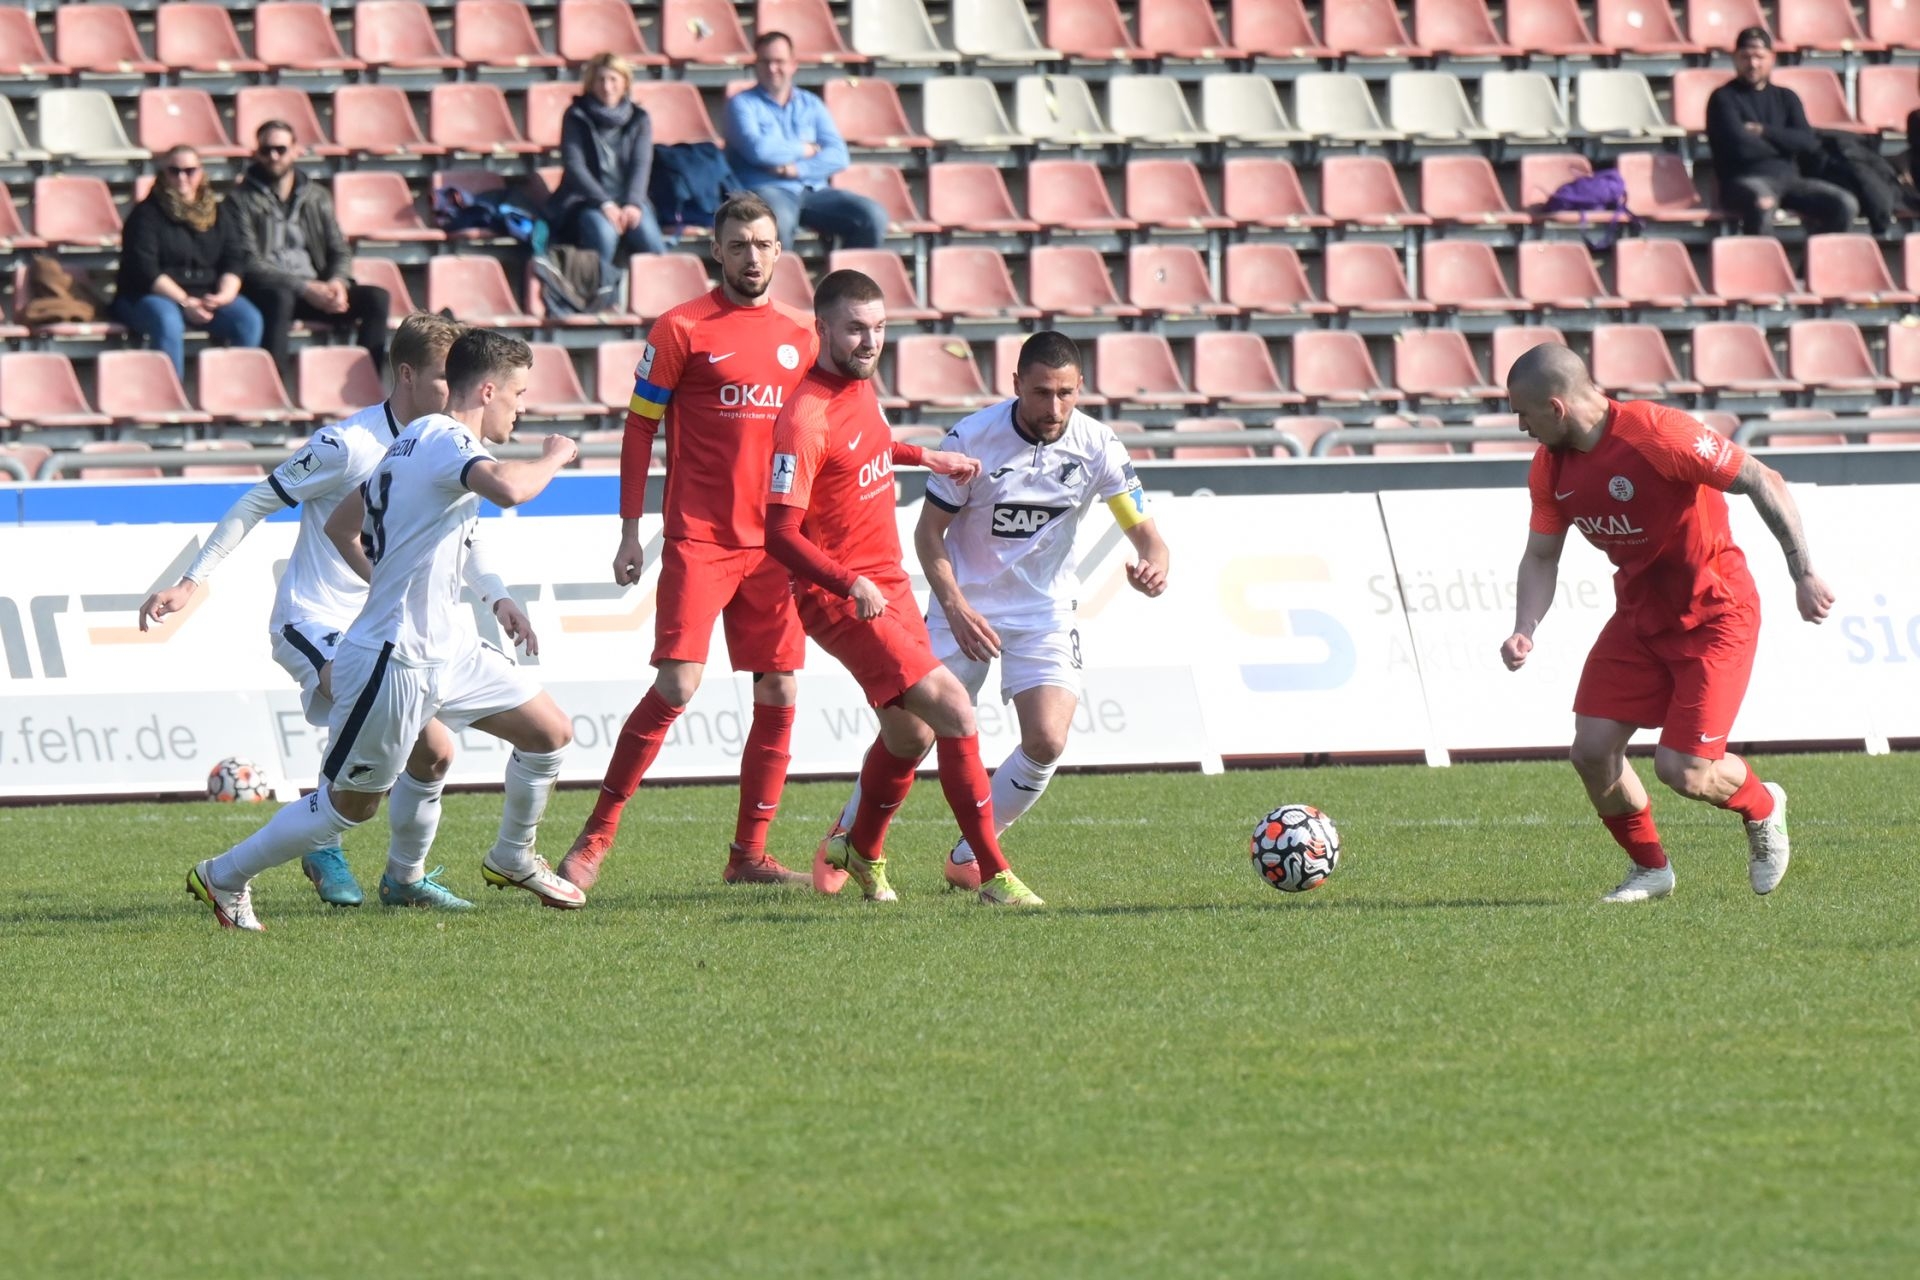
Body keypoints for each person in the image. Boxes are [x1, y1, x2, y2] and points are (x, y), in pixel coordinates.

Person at [186, 330, 584, 931]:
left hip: (445, 644)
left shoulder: (413, 439)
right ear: (488, 389)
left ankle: (511, 856)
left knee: (549, 732)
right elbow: (509, 488)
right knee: (346, 809)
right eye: (519, 394)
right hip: (396, 655)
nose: (523, 408)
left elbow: (345, 524)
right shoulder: (446, 438)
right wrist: (558, 454)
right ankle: (223, 875)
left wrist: (407, 581)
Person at [819, 331, 1170, 893]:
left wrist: (1153, 563)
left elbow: (1148, 536)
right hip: (965, 607)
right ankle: (850, 831)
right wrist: (954, 606)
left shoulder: (1098, 444)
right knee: (912, 734)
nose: (1053, 408)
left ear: (1081, 388)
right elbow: (928, 534)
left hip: (1044, 612)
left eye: (1065, 394)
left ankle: (971, 856)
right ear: (1015, 387)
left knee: (1048, 740)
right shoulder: (973, 438)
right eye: (1040, 393)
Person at [141, 313, 466, 909]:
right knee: (350, 690)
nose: (460, 389)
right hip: (314, 617)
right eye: (448, 377)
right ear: (407, 374)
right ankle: (317, 846)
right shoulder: (347, 444)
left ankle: (405, 879)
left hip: (385, 628)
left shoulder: (446, 448)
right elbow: (255, 501)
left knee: (436, 750)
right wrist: (189, 582)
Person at [1500, 344, 1834, 904]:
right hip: (1638, 617)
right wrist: (1525, 626)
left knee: (1685, 771)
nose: (1520, 426)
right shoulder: (1550, 468)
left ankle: (1763, 805)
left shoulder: (1659, 433)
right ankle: (1651, 870)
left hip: (1715, 614)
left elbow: (1761, 478)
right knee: (1591, 750)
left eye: (1523, 414)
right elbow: (1541, 557)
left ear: (1555, 409)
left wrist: (1803, 573)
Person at [556, 193, 818, 892]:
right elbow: (639, 428)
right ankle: (595, 837)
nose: (752, 257)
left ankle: (749, 856)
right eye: (739, 246)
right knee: (677, 683)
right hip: (701, 539)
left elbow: (825, 439)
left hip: (776, 544)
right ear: (717, 252)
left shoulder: (805, 334)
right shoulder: (681, 328)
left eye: (764, 245)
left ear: (779, 251)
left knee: (782, 687)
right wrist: (629, 530)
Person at [764, 268, 1043, 907]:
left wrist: (929, 459)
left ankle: (858, 850)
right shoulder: (803, 418)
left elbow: (869, 445)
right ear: (823, 328)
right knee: (954, 710)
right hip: (841, 594)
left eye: (880, 328)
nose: (869, 340)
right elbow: (778, 534)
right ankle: (994, 874)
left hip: (883, 578)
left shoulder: (858, 387)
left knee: (910, 735)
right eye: (856, 328)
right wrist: (848, 581)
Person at [228, 120, 392, 376]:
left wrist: (337, 283)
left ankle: (367, 384)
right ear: (256, 153)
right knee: (280, 298)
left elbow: (339, 249)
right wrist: (304, 288)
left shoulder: (317, 196)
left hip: (316, 289)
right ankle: (275, 388)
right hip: (269, 292)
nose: (273, 156)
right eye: (266, 150)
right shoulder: (238, 200)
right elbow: (249, 262)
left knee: (377, 298)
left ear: (296, 150)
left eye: (280, 149)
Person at [722, 30, 886, 251]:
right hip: (765, 189)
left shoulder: (811, 104)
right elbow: (759, 150)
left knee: (871, 215)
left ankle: (845, 284)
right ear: (756, 65)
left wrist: (795, 169)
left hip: (812, 190)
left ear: (793, 65)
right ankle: (780, 285)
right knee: (776, 222)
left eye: (779, 61)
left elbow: (839, 155)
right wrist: (806, 149)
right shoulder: (741, 104)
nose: (772, 69)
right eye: (765, 62)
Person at [111, 145, 264, 379]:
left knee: (248, 320)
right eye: (174, 171)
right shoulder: (145, 214)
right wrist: (184, 302)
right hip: (149, 296)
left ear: (201, 173)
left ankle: (234, 394)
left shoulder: (219, 212)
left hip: (206, 294)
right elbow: (145, 270)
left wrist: (224, 295)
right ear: (164, 173)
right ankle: (171, 401)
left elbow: (234, 258)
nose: (182, 177)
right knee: (167, 320)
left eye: (190, 171)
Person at [1706, 26, 1858, 237]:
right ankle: (1762, 269)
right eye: (1745, 57)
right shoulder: (1723, 98)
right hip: (1743, 181)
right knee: (1763, 203)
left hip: (1790, 180)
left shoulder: (1787, 97)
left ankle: (1808, 269)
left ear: (1772, 58)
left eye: (1759, 57)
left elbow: (1807, 142)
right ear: (1735, 58)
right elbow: (1739, 147)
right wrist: (1786, 144)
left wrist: (1763, 131)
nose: (1752, 64)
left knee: (1845, 204)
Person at [547, 52, 667, 264]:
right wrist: (605, 203)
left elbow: (641, 164)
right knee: (604, 234)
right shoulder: (575, 115)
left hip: (629, 198)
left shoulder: (639, 118)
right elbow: (575, 166)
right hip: (588, 200)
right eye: (600, 79)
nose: (607, 86)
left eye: (613, 79)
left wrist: (632, 203)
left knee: (651, 242)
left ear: (625, 82)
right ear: (591, 83)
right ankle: (601, 293)